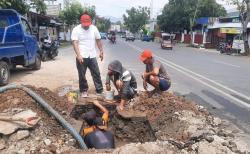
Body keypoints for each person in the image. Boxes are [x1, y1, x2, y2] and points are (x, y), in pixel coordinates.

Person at [71, 13, 104, 98]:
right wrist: (78, 55)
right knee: (82, 75)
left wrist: (101, 51)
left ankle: (99, 90)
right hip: (82, 55)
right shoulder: (76, 29)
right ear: (81, 22)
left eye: (87, 24)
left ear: (90, 22)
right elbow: (75, 42)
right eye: (84, 25)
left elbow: (98, 40)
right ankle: (84, 90)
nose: (86, 26)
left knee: (96, 73)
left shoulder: (94, 28)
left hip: (92, 55)